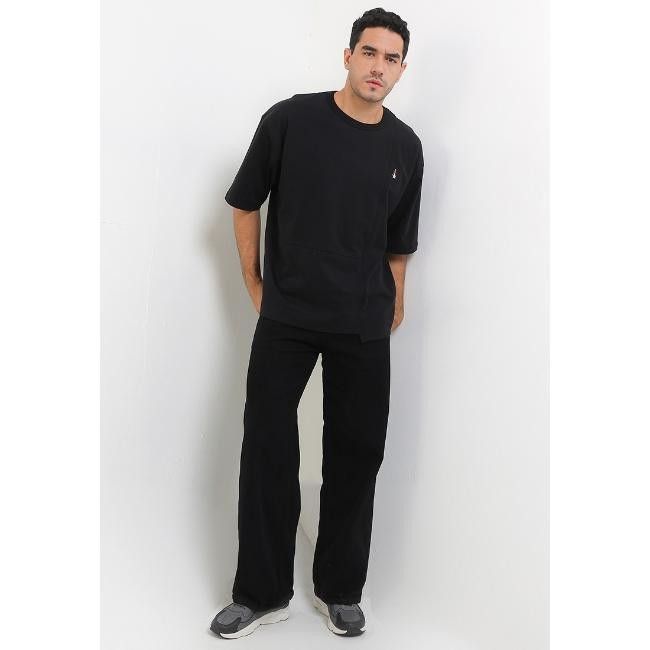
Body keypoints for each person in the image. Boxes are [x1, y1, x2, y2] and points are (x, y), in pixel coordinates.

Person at [210, 7, 424, 639]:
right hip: (290, 315)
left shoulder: (405, 147)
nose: (378, 67)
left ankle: (340, 589)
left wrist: (396, 298)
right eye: (369, 53)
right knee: (267, 447)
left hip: (363, 321)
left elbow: (399, 242)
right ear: (348, 56)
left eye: (391, 58)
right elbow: (244, 201)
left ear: (402, 69)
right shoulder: (290, 120)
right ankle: (261, 593)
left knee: (358, 454)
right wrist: (254, 281)